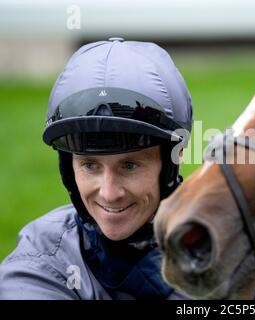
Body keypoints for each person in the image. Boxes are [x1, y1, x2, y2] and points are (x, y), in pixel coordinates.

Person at [0, 38, 193, 299]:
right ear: (68, 168)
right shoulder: (40, 266)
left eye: (129, 165)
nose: (110, 193)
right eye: (90, 165)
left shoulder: (229, 250)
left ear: (174, 159)